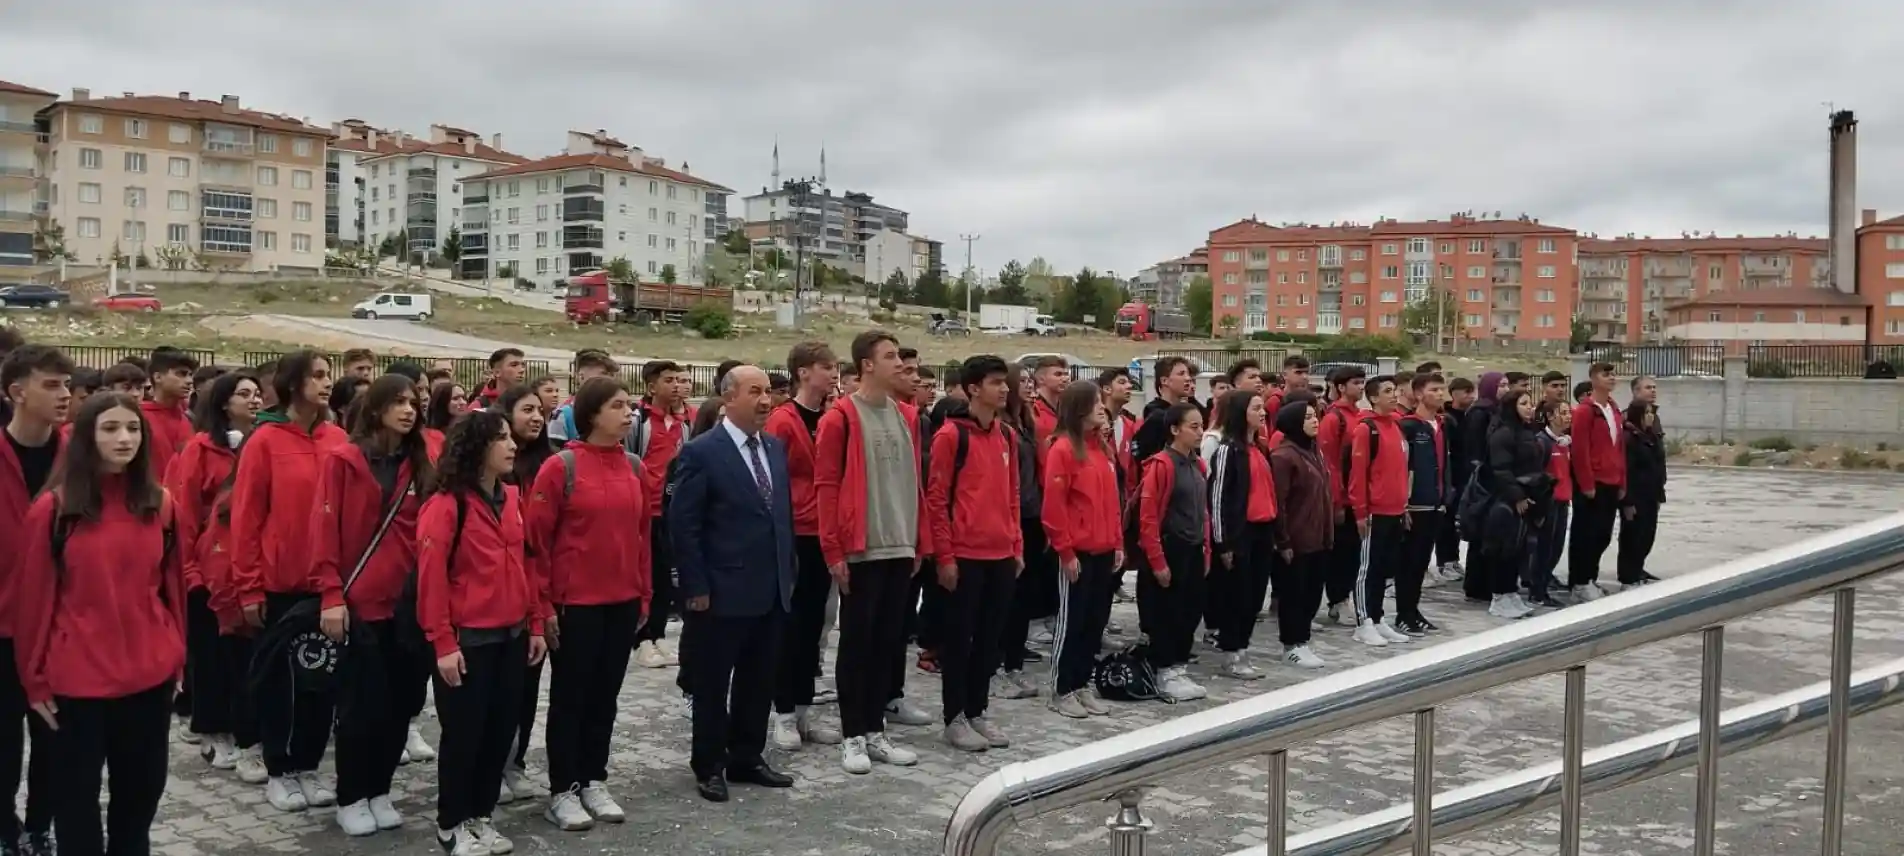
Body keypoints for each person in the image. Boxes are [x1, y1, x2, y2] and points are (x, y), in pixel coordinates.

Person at [20, 391, 185, 856]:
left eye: (133, 428)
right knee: (76, 809)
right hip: (77, 687)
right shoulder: (54, 512)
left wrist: (177, 659)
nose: (124, 438)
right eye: (110, 428)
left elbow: (171, 590)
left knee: (138, 804)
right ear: (86, 437)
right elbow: (34, 606)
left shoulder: (162, 505)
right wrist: (34, 683)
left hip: (148, 680)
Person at [416, 410, 546, 856]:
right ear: (477, 447)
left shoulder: (512, 497)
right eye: (502, 438)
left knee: (499, 733)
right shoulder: (445, 505)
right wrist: (443, 643)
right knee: (464, 737)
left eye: (512, 438)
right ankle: (451, 823)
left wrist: (534, 623)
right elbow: (430, 580)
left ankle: (481, 815)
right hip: (468, 641)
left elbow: (528, 564)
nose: (512, 446)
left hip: (511, 637)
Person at [309, 375, 434, 838]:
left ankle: (380, 789)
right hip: (360, 602)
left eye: (414, 403)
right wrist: (330, 594)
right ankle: (351, 794)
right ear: (376, 407)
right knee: (362, 708)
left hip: (410, 604)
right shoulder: (344, 460)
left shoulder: (422, 461)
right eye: (398, 402)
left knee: (402, 704)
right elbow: (325, 530)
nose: (408, 410)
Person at [524, 377, 650, 832]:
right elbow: (535, 543)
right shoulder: (562, 467)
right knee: (570, 699)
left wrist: (644, 593)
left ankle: (593, 777)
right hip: (574, 604)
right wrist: (543, 606)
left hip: (622, 600)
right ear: (593, 414)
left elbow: (642, 538)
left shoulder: (634, 467)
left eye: (630, 406)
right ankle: (563, 789)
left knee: (605, 698)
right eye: (618, 406)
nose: (629, 413)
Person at [670, 365, 799, 802]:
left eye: (768, 392)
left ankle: (747, 755)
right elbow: (684, 527)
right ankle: (709, 764)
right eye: (754, 392)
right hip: (721, 592)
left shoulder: (775, 449)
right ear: (728, 398)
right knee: (711, 684)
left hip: (771, 589)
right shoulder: (703, 452)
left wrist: (789, 572)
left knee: (758, 681)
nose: (765, 400)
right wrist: (696, 587)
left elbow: (779, 516)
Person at [229, 351, 348, 813]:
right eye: (317, 376)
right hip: (280, 584)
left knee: (322, 681)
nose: (326, 383)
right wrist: (249, 586)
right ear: (295, 384)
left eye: (327, 375)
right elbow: (246, 518)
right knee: (281, 682)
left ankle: (310, 766)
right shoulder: (265, 441)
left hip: (329, 586)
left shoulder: (338, 438)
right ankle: (280, 769)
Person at [814, 330, 932, 775]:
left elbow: (913, 482)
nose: (900, 363)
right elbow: (826, 487)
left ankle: (876, 728)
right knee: (858, 645)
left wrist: (920, 539)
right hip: (861, 548)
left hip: (900, 545)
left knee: (887, 644)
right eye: (889, 357)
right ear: (866, 364)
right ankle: (852, 736)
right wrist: (833, 549)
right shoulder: (840, 418)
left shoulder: (906, 415)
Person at [165, 372, 262, 776]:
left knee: (244, 656)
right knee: (210, 657)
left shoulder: (260, 445)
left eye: (257, 394)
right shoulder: (200, 450)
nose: (254, 401)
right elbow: (184, 515)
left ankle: (245, 731)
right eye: (244, 394)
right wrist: (190, 572)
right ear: (224, 403)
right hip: (207, 567)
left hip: (247, 565)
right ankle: (210, 730)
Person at [924, 356, 1021, 751]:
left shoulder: (1007, 436)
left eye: (1005, 382)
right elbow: (936, 498)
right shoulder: (951, 436)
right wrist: (944, 556)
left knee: (989, 640)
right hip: (964, 554)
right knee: (959, 639)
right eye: (996, 382)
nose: (1005, 389)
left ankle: (978, 710)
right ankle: (955, 716)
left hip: (1000, 553)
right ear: (973, 388)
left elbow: (1012, 493)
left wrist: (1016, 544)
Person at [0, 345, 71, 856]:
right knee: (3, 748)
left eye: (67, 383)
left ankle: (42, 828)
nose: (65, 394)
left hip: (61, 632)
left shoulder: (80, 461)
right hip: (1, 633)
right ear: (16, 392)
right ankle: (7, 832)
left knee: (57, 745)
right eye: (51, 384)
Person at [763, 342, 845, 751]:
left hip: (825, 533)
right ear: (802, 373)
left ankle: (804, 710)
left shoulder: (834, 418)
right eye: (825, 367)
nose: (833, 374)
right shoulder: (782, 420)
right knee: (790, 626)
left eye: (835, 367)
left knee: (815, 625)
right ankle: (782, 713)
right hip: (794, 533)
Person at [1041, 380, 1121, 716]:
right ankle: (1062, 689)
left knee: (1094, 622)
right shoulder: (1062, 449)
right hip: (1078, 552)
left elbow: (1113, 501)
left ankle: (1081, 683)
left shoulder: (1101, 449)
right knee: (1072, 621)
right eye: (1095, 403)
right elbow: (1054, 508)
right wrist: (1066, 551)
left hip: (1104, 550)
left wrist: (1117, 542)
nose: (1102, 408)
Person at [1135, 401, 1209, 703]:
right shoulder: (1161, 465)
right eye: (1193, 427)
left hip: (1192, 548)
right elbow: (1148, 515)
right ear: (1175, 430)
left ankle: (1178, 665)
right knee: (1167, 612)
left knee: (1189, 611)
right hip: (1169, 547)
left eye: (1202, 425)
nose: (1200, 432)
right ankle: (1164, 668)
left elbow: (1202, 511)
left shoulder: (1197, 464)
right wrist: (1157, 560)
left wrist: (1206, 549)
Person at [1207, 389, 1277, 679]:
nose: (1262, 413)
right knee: (1237, 596)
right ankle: (1231, 652)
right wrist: (1223, 543)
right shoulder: (1227, 450)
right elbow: (1218, 498)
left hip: (1263, 532)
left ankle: (1242, 649)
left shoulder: (1258, 449)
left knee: (1254, 596)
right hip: (1240, 534)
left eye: (1262, 408)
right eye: (1256, 408)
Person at [630, 361, 692, 670]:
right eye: (668, 380)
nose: (676, 386)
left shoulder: (683, 424)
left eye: (679, 380)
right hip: (643, 511)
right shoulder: (638, 422)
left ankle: (658, 635)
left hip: (671, 510)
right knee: (646, 575)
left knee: (666, 576)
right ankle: (641, 638)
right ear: (652, 387)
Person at [994, 363, 1048, 700]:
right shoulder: (1001, 427)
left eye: (1032, 380)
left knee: (1023, 599)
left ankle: (1013, 665)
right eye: (1023, 381)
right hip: (1009, 519)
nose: (1029, 386)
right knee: (1006, 601)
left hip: (1031, 516)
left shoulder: (1027, 425)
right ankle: (997, 666)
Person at [1347, 376, 1412, 647]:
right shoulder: (1367, 429)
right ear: (1373, 398)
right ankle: (1363, 622)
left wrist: (1404, 505)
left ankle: (1377, 616)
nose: (1393, 395)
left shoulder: (1396, 425)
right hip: (1374, 511)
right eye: (1387, 391)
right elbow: (1358, 474)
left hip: (1395, 509)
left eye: (1394, 391)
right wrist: (1360, 512)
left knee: (1384, 568)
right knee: (1367, 569)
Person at [1268, 399, 1332, 668]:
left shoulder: (1314, 451)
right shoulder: (1284, 456)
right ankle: (1291, 644)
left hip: (1317, 536)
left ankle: (1302, 640)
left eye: (1315, 415)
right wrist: (1282, 540)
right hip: (1295, 539)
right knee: (1294, 594)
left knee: (1312, 592)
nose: (1315, 420)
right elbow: (1279, 503)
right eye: (1307, 417)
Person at [1484, 390, 1549, 619]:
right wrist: (1517, 495)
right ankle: (1499, 596)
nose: (1530, 407)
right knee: (1504, 549)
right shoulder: (1503, 433)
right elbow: (1501, 469)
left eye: (1530, 403)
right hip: (1507, 501)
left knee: (1519, 549)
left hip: (1528, 497)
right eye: (1524, 403)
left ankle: (1511, 592)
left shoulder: (1526, 431)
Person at [1396, 373, 1450, 633]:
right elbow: (1402, 466)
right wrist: (1404, 503)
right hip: (1415, 505)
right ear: (1418, 394)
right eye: (1434, 390)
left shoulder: (1441, 424)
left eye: (1442, 389)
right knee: (1409, 563)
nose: (1440, 394)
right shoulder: (1408, 426)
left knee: (1421, 563)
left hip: (1435, 503)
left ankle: (1413, 610)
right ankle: (1403, 614)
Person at [1568, 362, 1625, 601]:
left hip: (1612, 480)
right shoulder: (1584, 411)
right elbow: (1580, 450)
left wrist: (1623, 482)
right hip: (1592, 484)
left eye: (1613, 374)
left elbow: (1620, 448)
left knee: (1602, 534)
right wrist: (1587, 483)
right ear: (1593, 379)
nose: (1611, 378)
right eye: (1605, 374)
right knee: (1586, 533)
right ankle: (1580, 582)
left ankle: (1590, 578)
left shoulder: (1613, 408)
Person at [1315, 365, 1366, 626]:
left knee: (1356, 552)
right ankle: (1337, 600)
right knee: (1341, 552)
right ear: (1340, 387)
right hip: (1342, 498)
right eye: (1355, 382)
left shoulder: (1362, 416)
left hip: (1360, 497)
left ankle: (1347, 596)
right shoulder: (1334, 418)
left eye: (1362, 382)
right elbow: (1330, 462)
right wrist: (1336, 500)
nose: (1360, 387)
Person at [1460, 371, 1507, 603]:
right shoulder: (1480, 412)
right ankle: (1476, 585)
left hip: (1494, 480)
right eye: (1502, 385)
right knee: (1480, 536)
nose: (1505, 390)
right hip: (1483, 482)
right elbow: (1475, 449)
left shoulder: (1498, 411)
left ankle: (1486, 583)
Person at [1619, 400, 1667, 587]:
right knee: (1633, 537)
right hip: (1636, 496)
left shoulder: (1650, 436)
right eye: (1646, 413)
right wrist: (1627, 501)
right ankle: (1628, 576)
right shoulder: (1630, 438)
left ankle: (1638, 571)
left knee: (1647, 535)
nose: (1650, 416)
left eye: (1651, 413)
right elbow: (1627, 472)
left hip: (1650, 495)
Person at [1531, 400, 1573, 608]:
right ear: (1550, 416)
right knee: (1544, 548)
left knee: (1555, 547)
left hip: (1563, 501)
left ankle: (1544, 585)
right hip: (1549, 502)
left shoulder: (1564, 442)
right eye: (1562, 412)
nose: (1568, 416)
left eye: (1568, 412)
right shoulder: (1542, 442)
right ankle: (1537, 591)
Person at [1435, 375, 1474, 582]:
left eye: (1472, 391)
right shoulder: (1447, 418)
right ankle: (1444, 561)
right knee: (1447, 521)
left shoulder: (1470, 415)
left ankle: (1454, 559)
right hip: (1452, 474)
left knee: (1458, 520)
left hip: (1465, 474)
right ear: (1454, 394)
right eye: (1466, 392)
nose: (1470, 396)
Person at [142, 346, 199, 481]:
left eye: (190, 375)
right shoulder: (139, 418)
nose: (189, 381)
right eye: (181, 374)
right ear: (158, 377)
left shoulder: (190, 419)